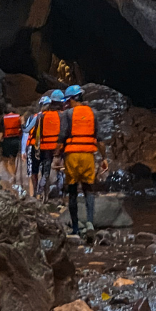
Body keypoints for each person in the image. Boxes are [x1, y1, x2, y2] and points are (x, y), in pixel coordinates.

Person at [57, 84, 108, 236]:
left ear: (73, 99)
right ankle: (90, 223)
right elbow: (100, 139)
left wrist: (56, 156)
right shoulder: (93, 113)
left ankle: (75, 228)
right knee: (88, 189)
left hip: (72, 156)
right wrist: (104, 158)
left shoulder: (68, 114)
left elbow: (62, 138)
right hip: (88, 156)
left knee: (72, 191)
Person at [37, 90, 65, 201]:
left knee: (45, 172)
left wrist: (37, 149)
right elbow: (64, 132)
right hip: (59, 148)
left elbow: (38, 133)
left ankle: (42, 195)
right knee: (60, 171)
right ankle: (61, 198)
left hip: (45, 147)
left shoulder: (42, 116)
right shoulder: (63, 115)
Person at [0, 101, 24, 194]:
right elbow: (23, 128)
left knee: (5, 159)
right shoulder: (18, 117)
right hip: (16, 140)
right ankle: (14, 175)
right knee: (13, 160)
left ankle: (11, 176)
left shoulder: (4, 119)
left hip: (7, 140)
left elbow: (1, 133)